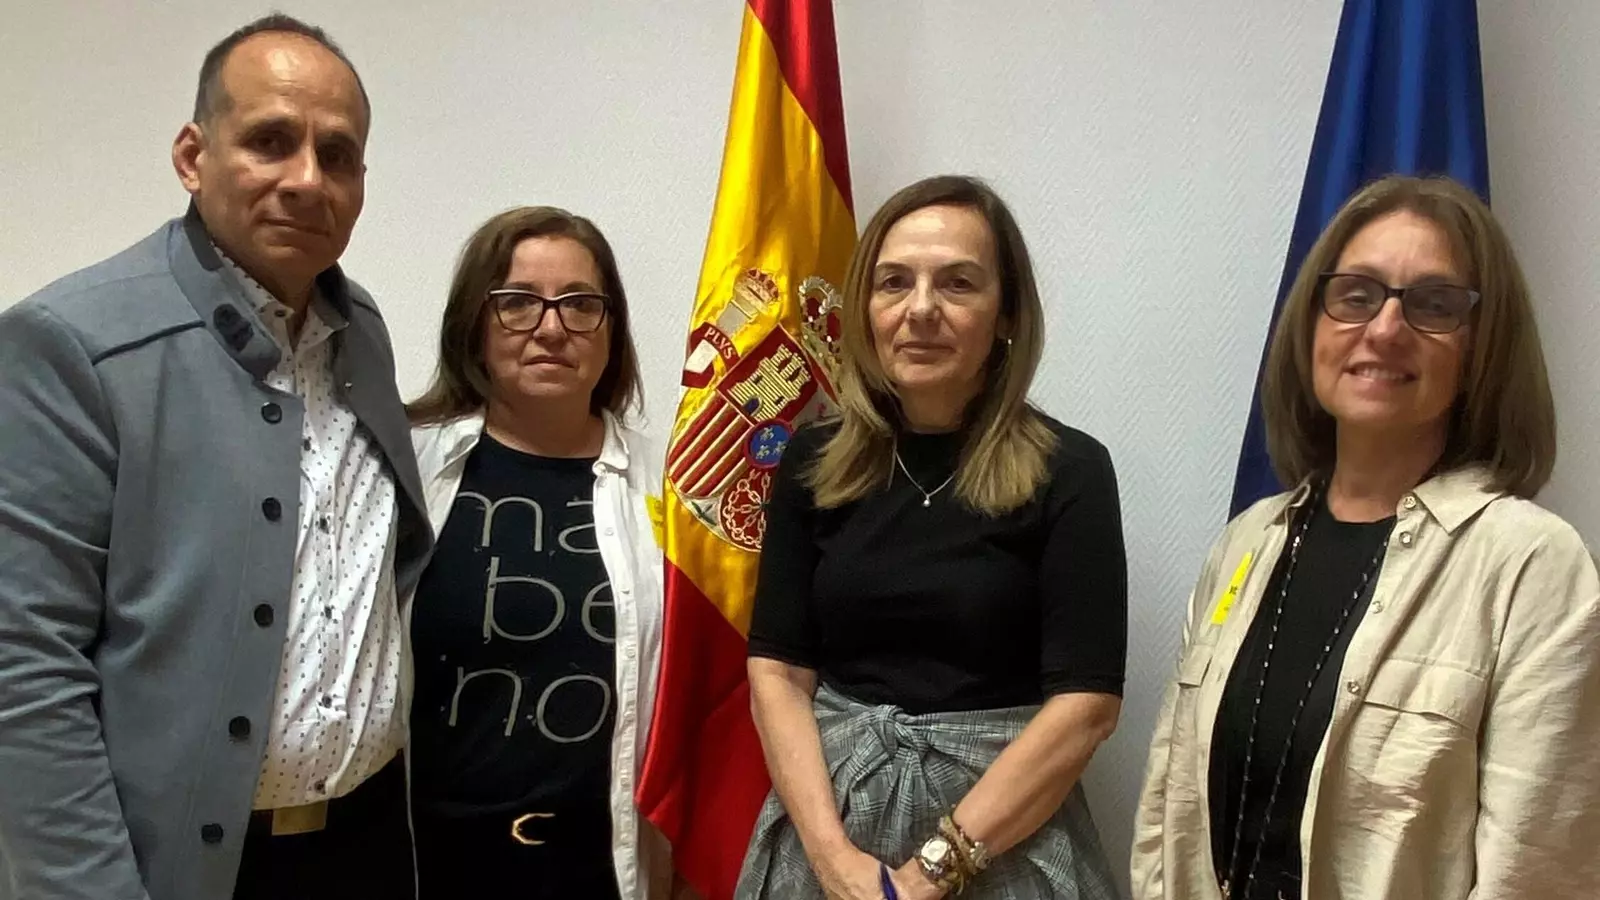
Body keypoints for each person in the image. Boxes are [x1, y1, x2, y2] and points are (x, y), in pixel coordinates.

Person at [0, 15, 432, 900]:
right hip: (188, 870)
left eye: (338, 155)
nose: (306, 179)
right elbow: (24, 670)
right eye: (271, 141)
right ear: (193, 157)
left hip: (371, 843)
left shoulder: (363, 333)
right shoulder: (70, 346)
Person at [1131, 174, 1600, 900]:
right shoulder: (1247, 543)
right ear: (1312, 325)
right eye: (1356, 295)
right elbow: (1166, 814)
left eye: (1433, 304)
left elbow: (1536, 874)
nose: (1384, 329)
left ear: (1483, 348)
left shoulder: (1534, 566)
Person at [736, 174, 1127, 900]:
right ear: (865, 309)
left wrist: (925, 877)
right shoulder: (812, 460)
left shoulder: (1071, 470)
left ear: (1005, 314)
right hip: (831, 833)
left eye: (958, 283)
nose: (920, 309)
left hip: (1004, 839)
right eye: (894, 283)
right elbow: (779, 674)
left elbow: (1086, 708)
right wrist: (834, 861)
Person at [405, 206, 672, 898]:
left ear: (611, 330)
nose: (551, 328)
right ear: (475, 323)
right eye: (518, 301)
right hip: (430, 864)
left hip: (603, 868)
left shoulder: (670, 490)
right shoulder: (406, 470)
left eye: (580, 304)